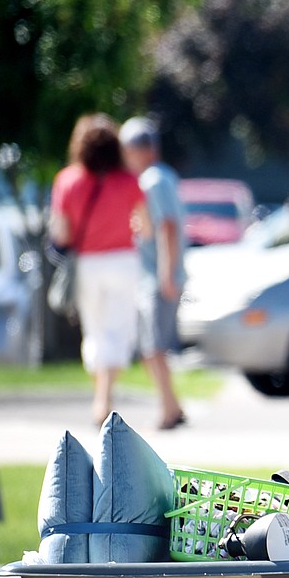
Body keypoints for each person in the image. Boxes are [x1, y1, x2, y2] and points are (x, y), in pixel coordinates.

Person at [49, 114, 147, 427]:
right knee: (119, 332)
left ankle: (100, 397)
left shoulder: (67, 180)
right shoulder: (128, 181)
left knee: (95, 331)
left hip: (88, 265)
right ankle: (104, 398)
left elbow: (61, 234)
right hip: (122, 261)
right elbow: (146, 227)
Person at [120, 117, 187, 431]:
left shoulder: (152, 181)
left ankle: (168, 411)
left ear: (144, 150)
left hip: (157, 277)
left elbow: (168, 227)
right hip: (156, 274)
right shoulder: (163, 177)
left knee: (153, 347)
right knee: (151, 347)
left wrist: (166, 273)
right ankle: (172, 406)